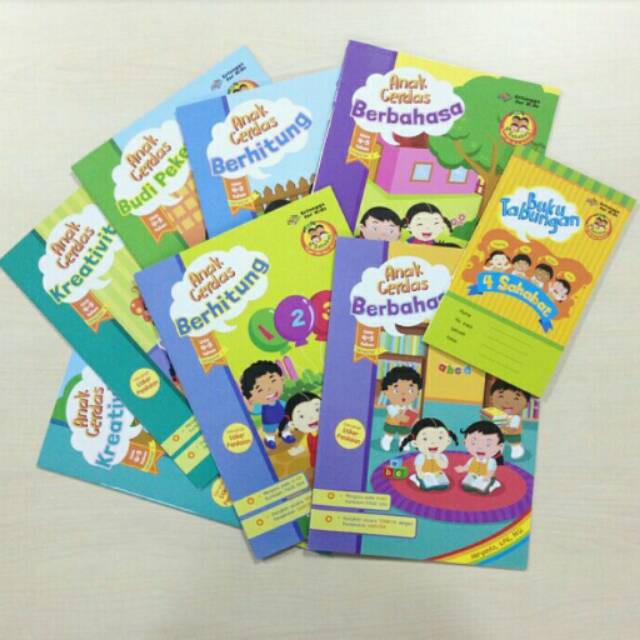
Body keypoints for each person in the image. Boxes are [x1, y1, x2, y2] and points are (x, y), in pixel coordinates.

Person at [240, 360, 295, 450]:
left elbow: (289, 408)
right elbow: (251, 409)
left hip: (283, 420)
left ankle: (286, 435)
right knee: (270, 433)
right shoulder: (261, 407)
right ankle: (270, 440)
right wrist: (245, 400)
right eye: (260, 389)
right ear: (251, 397)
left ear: (281, 379)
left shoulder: (281, 402)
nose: (269, 389)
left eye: (273, 381)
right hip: (269, 423)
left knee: (285, 428)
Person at [399, 417, 458, 490]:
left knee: (444, 485)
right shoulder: (421, 457)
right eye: (425, 439)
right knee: (425, 487)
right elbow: (418, 467)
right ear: (415, 443)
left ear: (448, 441)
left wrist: (437, 457)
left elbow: (444, 466)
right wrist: (420, 473)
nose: (433, 443)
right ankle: (416, 479)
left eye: (440, 438)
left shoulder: (442, 456)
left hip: (437, 474)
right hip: (425, 474)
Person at [455, 421, 505, 494]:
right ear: (465, 443)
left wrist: (487, 477)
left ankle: (493, 484)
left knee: (483, 491)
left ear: (499, 446)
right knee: (466, 486)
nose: (480, 448)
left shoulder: (491, 461)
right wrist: (462, 468)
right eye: (474, 443)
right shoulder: (472, 459)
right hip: (473, 475)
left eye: (488, 444)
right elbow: (468, 467)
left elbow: (491, 471)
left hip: (486, 477)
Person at [379, 366, 422, 451]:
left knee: (404, 435)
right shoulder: (391, 406)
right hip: (392, 424)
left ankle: (403, 443)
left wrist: (414, 418)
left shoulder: (408, 406)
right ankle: (386, 441)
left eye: (410, 391)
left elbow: (412, 414)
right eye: (397, 391)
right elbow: (395, 415)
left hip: (404, 425)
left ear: (417, 392)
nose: (404, 394)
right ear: (386, 392)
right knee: (389, 434)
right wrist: (400, 417)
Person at [487, 379, 530, 460]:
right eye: (501, 396)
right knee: (497, 440)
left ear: (526, 404)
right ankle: (498, 449)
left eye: (516, 398)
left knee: (515, 443)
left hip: (513, 435)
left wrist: (501, 421)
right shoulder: (494, 413)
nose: (507, 402)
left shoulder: (516, 418)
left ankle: (516, 448)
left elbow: (512, 426)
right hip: (499, 434)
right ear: (491, 398)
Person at [280, 392, 321, 468]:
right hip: (316, 462)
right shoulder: (309, 436)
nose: (312, 417)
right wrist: (299, 449)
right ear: (292, 424)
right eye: (302, 416)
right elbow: (304, 443)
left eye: (317, 410)